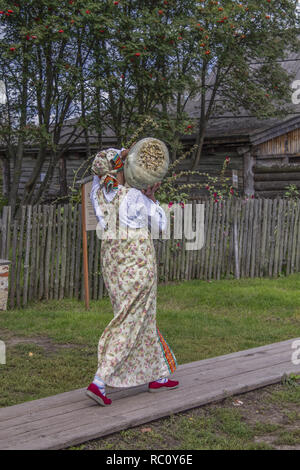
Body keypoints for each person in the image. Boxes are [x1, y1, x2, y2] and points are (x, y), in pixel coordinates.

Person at [86, 146, 178, 406]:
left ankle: (157, 375)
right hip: (138, 266)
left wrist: (118, 158)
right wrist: (151, 197)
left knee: (142, 316)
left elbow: (100, 171)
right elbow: (161, 226)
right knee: (130, 319)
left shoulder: (98, 192)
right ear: (122, 169)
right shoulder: (134, 197)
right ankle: (100, 379)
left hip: (113, 265)